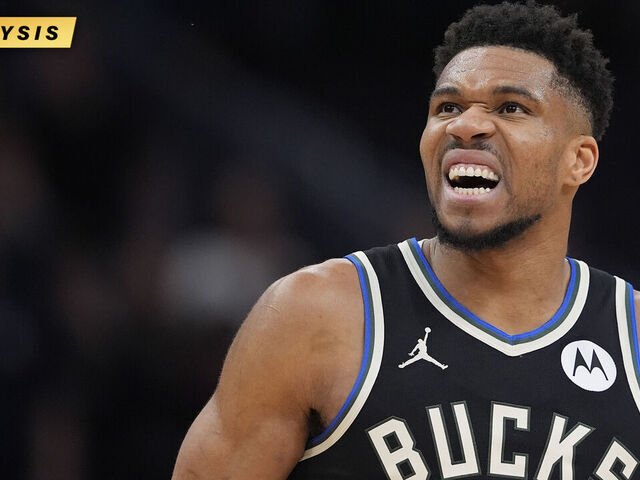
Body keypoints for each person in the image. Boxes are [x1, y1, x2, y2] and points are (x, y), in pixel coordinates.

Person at [172, 2, 640, 479]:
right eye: (448, 107)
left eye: (510, 108)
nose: (464, 125)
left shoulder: (634, 337)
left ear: (578, 160)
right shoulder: (316, 314)